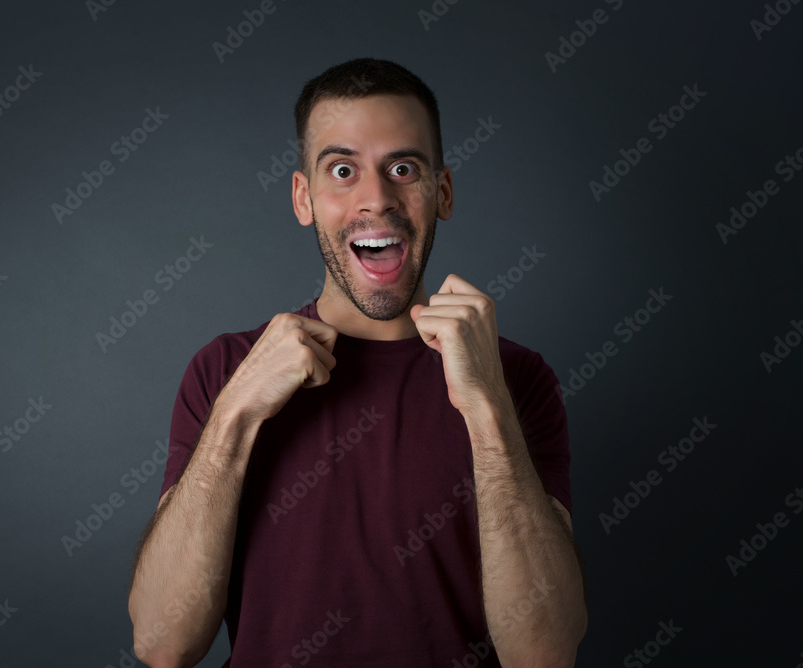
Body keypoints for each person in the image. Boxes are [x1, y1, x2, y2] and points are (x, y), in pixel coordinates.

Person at [127, 58, 587, 668]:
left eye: (403, 168)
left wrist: (487, 407)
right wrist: (235, 416)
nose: (376, 198)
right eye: (342, 171)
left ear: (441, 192)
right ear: (303, 198)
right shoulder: (224, 370)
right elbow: (162, 643)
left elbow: (546, 653)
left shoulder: (516, 378)